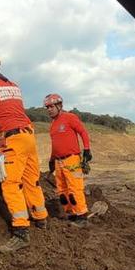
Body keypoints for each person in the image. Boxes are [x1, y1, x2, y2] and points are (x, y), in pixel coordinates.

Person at [0, 51, 48, 253]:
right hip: (29, 136)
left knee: (11, 184)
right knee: (32, 180)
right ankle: (41, 219)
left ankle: (21, 231)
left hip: (12, 139)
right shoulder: (13, 86)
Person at [45, 93, 93, 223]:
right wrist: (51, 160)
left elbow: (83, 132)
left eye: (51, 106)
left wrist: (87, 149)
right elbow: (56, 145)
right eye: (47, 107)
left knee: (74, 188)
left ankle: (82, 215)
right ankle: (71, 213)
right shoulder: (53, 125)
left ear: (59, 105)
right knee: (62, 190)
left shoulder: (69, 117)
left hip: (72, 160)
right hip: (58, 161)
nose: (49, 109)